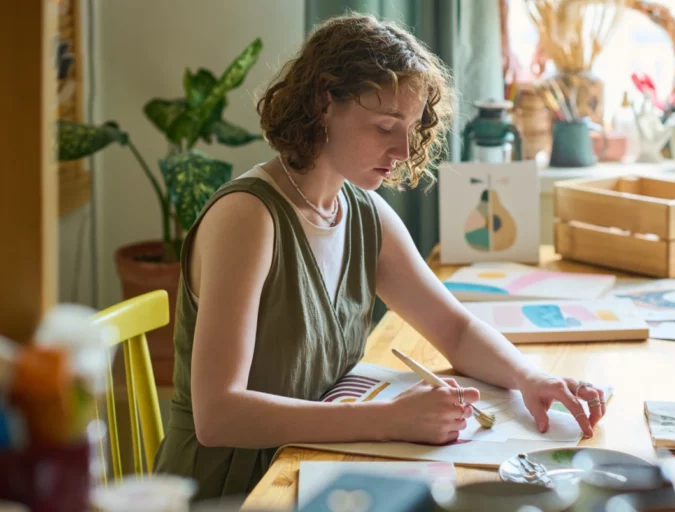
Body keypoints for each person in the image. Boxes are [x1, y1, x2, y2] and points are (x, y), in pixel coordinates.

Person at [153, 12, 606, 501]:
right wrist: (389, 420)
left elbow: (454, 329)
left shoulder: (364, 212)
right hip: (229, 489)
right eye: (386, 126)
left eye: (411, 127)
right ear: (324, 104)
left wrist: (531, 378)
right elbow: (218, 417)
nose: (403, 149)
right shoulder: (248, 218)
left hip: (310, 462)